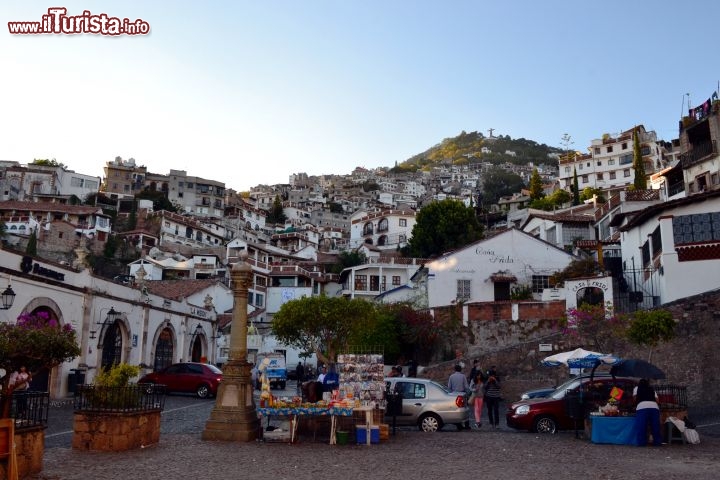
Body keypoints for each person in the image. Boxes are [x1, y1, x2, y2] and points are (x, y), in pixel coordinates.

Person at [633, 378, 662, 447]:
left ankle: (642, 443)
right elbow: (657, 400)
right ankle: (657, 442)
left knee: (641, 426)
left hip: (642, 407)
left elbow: (634, 399)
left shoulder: (636, 388)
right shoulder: (651, 389)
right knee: (655, 426)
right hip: (654, 407)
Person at [447, 364, 471, 430]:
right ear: (461, 369)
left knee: (457, 410)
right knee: (465, 409)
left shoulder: (451, 376)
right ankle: (467, 425)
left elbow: (449, 387)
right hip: (462, 394)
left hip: (454, 395)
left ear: (455, 369)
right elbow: (466, 386)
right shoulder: (463, 376)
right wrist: (469, 393)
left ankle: (459, 425)